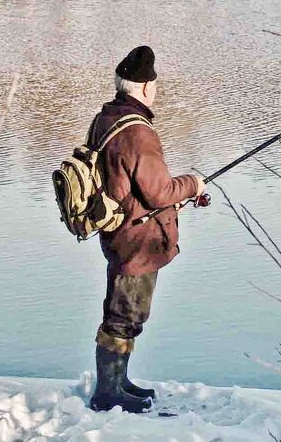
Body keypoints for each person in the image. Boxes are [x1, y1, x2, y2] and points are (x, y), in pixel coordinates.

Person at [88, 46, 205, 413]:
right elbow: (159, 192)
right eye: (154, 84)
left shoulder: (106, 118)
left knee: (123, 312)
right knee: (125, 315)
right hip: (137, 240)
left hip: (119, 231)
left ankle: (118, 383)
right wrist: (194, 184)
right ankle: (108, 393)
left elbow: (129, 184)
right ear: (145, 87)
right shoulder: (138, 132)